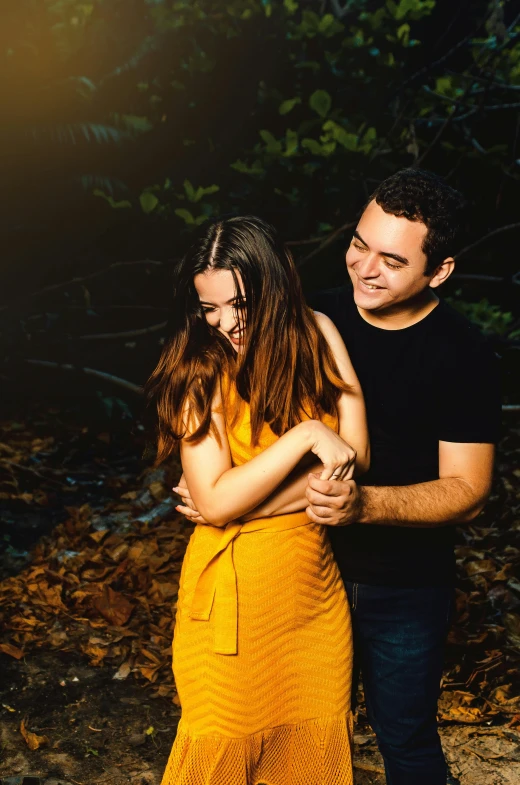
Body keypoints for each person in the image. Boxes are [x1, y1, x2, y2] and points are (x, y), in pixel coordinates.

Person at [147, 216, 369, 785]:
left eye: (239, 303)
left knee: (310, 760)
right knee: (219, 757)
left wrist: (247, 503)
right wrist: (305, 438)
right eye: (209, 308)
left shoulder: (318, 332)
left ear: (274, 282)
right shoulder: (197, 370)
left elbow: (355, 460)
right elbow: (215, 505)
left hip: (313, 600)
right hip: (232, 608)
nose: (225, 323)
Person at [302, 168, 502, 785]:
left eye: (391, 259)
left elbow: (468, 491)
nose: (364, 268)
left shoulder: (463, 353)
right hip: (303, 566)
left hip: (405, 589)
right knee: (301, 739)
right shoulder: (314, 316)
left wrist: (363, 506)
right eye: (359, 244)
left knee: (406, 744)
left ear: (437, 271)